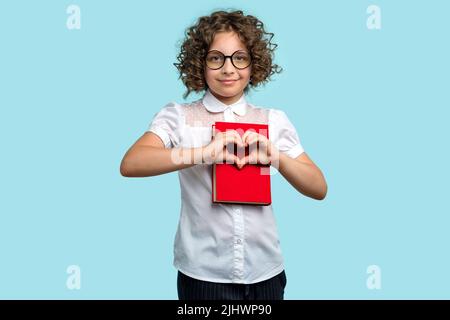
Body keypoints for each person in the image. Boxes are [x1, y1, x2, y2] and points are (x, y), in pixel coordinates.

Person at [120, 9, 327, 300]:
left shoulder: (273, 120)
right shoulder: (179, 117)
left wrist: (276, 157)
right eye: (216, 58)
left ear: (254, 63)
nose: (229, 69)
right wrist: (203, 153)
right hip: (203, 275)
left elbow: (318, 188)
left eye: (239, 57)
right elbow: (131, 163)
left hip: (265, 272)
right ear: (200, 64)